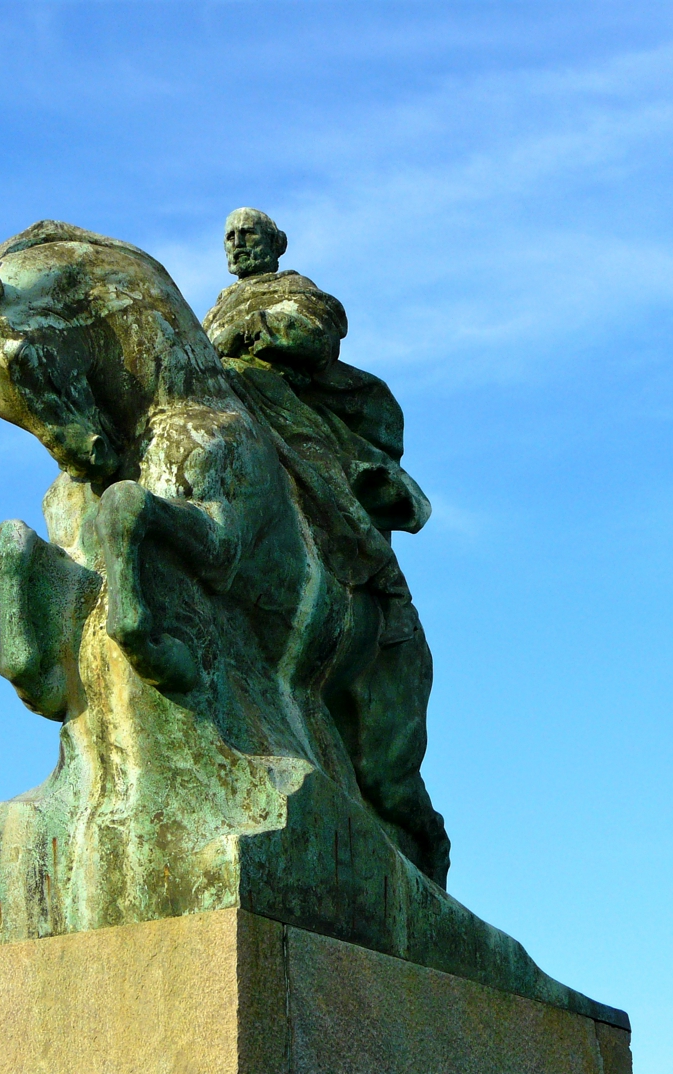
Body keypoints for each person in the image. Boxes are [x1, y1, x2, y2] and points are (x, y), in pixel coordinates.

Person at [203, 208, 450, 886]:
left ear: (275, 244)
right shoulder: (207, 313)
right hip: (231, 416)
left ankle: (364, 562)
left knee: (316, 467)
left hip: (289, 413)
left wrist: (248, 329)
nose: (236, 242)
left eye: (248, 233)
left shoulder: (294, 290)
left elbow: (314, 335)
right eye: (227, 236)